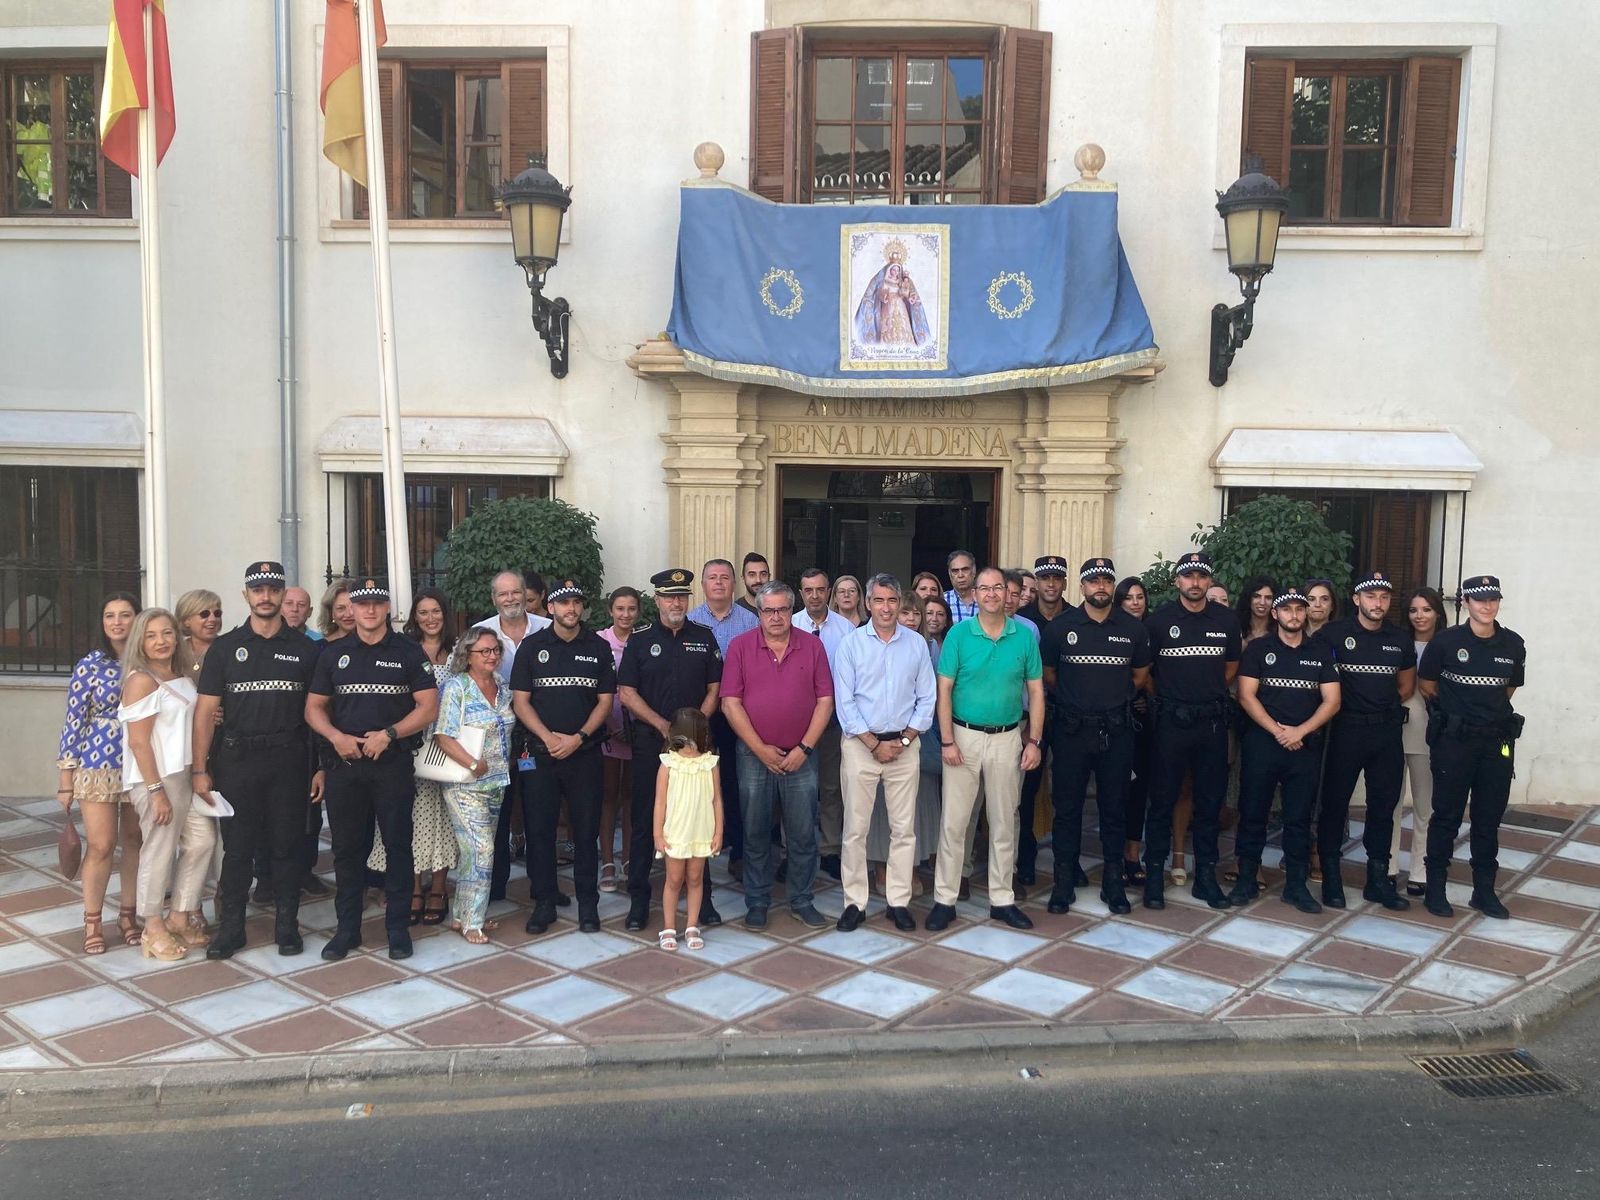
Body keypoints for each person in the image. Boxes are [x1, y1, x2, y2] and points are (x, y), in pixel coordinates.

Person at [193, 562, 324, 957]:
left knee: (287, 846)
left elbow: (318, 714)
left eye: (272, 588)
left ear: (283, 593)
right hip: (238, 761)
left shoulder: (305, 649)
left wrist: (320, 767)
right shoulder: (225, 648)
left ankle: (287, 927)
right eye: (258, 589)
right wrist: (200, 768)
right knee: (238, 850)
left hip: (289, 761)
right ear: (246, 595)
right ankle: (231, 930)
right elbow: (204, 713)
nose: (265, 596)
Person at [306, 579, 439, 961]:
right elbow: (314, 707)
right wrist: (335, 737)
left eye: (376, 604)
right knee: (347, 849)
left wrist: (391, 734)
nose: (368, 611)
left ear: (387, 609)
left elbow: (427, 707)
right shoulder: (333, 654)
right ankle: (346, 930)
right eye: (361, 604)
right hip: (345, 765)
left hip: (391, 764)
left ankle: (397, 929)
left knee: (398, 846)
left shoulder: (408, 652)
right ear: (351, 608)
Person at [926, 566, 1044, 931]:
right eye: (985, 588)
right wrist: (946, 740)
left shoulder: (1023, 636)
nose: (992, 594)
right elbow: (943, 690)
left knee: (1004, 820)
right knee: (955, 822)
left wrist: (1034, 740)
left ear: (1009, 594)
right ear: (974, 595)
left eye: (999, 588)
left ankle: (1002, 898)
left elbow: (1037, 691)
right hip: (963, 737)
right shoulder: (959, 635)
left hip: (1009, 737)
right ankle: (944, 899)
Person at [1039, 558, 1152, 916]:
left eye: (1106, 580)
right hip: (1072, 731)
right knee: (1067, 809)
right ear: (1082, 587)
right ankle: (1063, 882)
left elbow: (1139, 677)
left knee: (1114, 809)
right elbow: (1050, 676)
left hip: (1116, 732)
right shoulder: (1061, 628)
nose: (1100, 586)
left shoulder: (1133, 630)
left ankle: (1113, 883)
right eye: (1093, 581)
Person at [720, 581, 834, 930]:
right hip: (754, 755)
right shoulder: (740, 647)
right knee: (755, 832)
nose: (775, 616)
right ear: (758, 613)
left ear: (791, 610)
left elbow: (825, 701)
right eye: (768, 610)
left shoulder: (812, 646)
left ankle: (801, 899)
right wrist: (759, 749)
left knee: (801, 832)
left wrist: (804, 748)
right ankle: (757, 902)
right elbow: (730, 703)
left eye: (782, 609)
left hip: (801, 756)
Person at [618, 568, 723, 932]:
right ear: (658, 600)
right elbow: (627, 693)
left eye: (681, 596)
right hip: (653, 746)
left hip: (698, 752)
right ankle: (638, 901)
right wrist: (665, 728)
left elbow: (715, 688)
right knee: (648, 820)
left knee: (699, 819)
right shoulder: (640, 639)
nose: (675, 602)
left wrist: (693, 730)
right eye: (668, 597)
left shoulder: (704, 637)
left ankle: (704, 900)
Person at [1417, 574, 1526, 920]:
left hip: (1495, 743)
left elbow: (1508, 689)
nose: (1487, 606)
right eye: (1479, 600)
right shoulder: (1445, 643)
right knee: (1446, 817)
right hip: (1455, 742)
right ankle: (1435, 890)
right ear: (1466, 603)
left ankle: (1484, 892)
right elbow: (1426, 685)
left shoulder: (1513, 644)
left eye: (1493, 599)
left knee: (1487, 819)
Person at [510, 579, 616, 934]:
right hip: (540, 755)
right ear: (550, 607)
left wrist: (579, 737)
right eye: (563, 603)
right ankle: (544, 901)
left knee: (586, 833)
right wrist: (547, 737)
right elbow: (521, 701)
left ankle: (588, 904)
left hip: (584, 754)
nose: (571, 609)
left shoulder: (598, 648)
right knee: (539, 832)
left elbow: (605, 702)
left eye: (576, 602)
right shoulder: (532, 647)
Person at [833, 574, 936, 933]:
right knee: (855, 829)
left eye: (892, 601)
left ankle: (898, 901)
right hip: (862, 746)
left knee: (903, 829)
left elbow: (927, 697)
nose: (886, 608)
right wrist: (875, 744)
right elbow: (845, 703)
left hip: (905, 747)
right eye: (879, 601)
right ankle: (854, 902)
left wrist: (905, 740)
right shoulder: (851, 645)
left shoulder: (916, 645)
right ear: (868, 604)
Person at [1143, 551, 1241, 911]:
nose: (1195, 582)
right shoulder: (1159, 621)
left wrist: (1205, 695)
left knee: (1209, 801)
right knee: (1163, 799)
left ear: (1209, 581)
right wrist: (1172, 700)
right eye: (1188, 576)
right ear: (1177, 582)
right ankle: (1154, 875)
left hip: (1211, 722)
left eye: (1201, 576)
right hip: (1171, 722)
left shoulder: (1227, 620)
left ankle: (1205, 878)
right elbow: (1147, 673)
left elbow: (1231, 667)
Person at [1234, 587, 1342, 912]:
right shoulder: (1257, 649)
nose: (1294, 615)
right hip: (1263, 744)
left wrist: (1300, 731)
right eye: (1287, 609)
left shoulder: (1320, 650)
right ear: (1275, 614)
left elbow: (1333, 700)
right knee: (1253, 814)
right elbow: (1246, 695)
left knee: (1298, 819)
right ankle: (1246, 880)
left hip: (1303, 746)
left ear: (1306, 613)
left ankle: (1296, 885)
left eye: (1300, 609)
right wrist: (1278, 731)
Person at [119, 607, 216, 960]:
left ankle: (179, 915)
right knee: (159, 849)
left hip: (187, 772)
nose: (161, 641)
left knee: (203, 840)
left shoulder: (179, 674)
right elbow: (139, 742)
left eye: (167, 634)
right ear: (140, 642)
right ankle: (153, 926)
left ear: (177, 637)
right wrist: (155, 791)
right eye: (151, 635)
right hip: (158, 776)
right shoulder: (141, 680)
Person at [1316, 571, 1416, 911]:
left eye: (1384, 597)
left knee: (1383, 806)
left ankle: (1378, 880)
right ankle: (1331, 878)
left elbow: (1406, 686)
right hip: (1345, 730)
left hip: (1385, 732)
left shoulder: (1399, 638)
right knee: (1334, 803)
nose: (1378, 603)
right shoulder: (1334, 633)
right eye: (1371, 596)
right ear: (1357, 600)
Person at [56, 592, 145, 955]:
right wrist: (66, 779)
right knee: (102, 844)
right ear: (102, 622)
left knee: (136, 841)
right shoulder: (89, 665)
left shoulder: (149, 661)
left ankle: (128, 914)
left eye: (125, 615)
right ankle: (92, 919)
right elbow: (73, 722)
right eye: (110, 615)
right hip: (97, 762)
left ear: (137, 619)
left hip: (141, 761)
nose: (118, 622)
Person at [369, 588, 456, 926]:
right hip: (410, 744)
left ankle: (438, 888)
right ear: (414, 618)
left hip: (447, 747)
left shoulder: (458, 653)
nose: (430, 618)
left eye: (436, 611)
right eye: (423, 612)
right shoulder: (404, 651)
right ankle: (414, 888)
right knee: (411, 820)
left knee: (444, 820)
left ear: (444, 615)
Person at [474, 570, 552, 904]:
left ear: (526, 594)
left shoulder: (547, 629)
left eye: (515, 593)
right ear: (494, 599)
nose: (510, 599)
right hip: (496, 738)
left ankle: (542, 884)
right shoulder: (482, 634)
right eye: (503, 594)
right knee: (499, 811)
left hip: (538, 734)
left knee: (539, 812)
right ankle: (496, 884)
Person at [433, 627, 514, 943]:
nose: (492, 656)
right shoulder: (457, 688)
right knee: (483, 849)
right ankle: (473, 923)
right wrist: (471, 763)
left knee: (473, 853)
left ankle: (461, 914)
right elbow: (443, 735)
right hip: (464, 784)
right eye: (485, 651)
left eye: (496, 650)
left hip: (497, 783)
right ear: (468, 655)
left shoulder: (503, 686)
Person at [689, 558, 759, 874]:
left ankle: (739, 852)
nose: (718, 583)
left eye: (725, 577)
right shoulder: (689, 621)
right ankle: (697, 853)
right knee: (698, 785)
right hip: (699, 716)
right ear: (702, 585)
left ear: (734, 583)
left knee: (737, 781)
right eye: (712, 578)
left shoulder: (750, 622)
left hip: (738, 716)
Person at [793, 567, 851, 881]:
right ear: (800, 593)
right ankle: (795, 851)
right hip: (799, 722)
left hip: (833, 722)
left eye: (820, 589)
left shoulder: (846, 628)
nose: (815, 596)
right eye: (808, 590)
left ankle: (830, 849)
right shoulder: (790, 624)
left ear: (828, 591)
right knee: (797, 790)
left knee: (831, 788)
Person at [652, 707, 725, 951]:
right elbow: (660, 802)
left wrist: (718, 832)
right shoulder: (668, 765)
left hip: (700, 832)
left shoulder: (710, 764)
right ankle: (669, 927)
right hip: (676, 833)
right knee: (674, 879)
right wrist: (658, 834)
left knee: (695, 878)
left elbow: (717, 800)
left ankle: (692, 925)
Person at [1391, 587, 1447, 896]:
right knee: (1391, 803)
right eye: (1414, 610)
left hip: (1429, 733)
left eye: (1426, 609)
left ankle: (1420, 870)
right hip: (1395, 729)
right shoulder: (1397, 642)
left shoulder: (1448, 644)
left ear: (1437, 612)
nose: (1420, 616)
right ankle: (1386, 866)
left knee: (1426, 805)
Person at [597, 587, 642, 894]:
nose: (625, 615)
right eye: (620, 609)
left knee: (631, 796)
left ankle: (628, 857)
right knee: (608, 795)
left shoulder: (644, 641)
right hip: (607, 729)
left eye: (631, 609)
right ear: (611, 611)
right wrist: (611, 724)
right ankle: (607, 861)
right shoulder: (599, 642)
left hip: (637, 730)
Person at [1114, 578, 1153, 883]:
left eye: (1140, 597)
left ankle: (1132, 854)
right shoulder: (1110, 629)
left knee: (1140, 790)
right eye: (1129, 598)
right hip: (1115, 719)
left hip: (1149, 723)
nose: (1136, 602)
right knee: (1115, 791)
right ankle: (1113, 855)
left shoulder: (1152, 630)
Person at [174, 589, 223, 686]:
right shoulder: (175, 650)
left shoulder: (228, 648)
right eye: (204, 614)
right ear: (186, 620)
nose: (213, 619)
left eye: (217, 613)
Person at [1018, 555, 1069, 630]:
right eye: (1045, 578)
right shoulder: (1021, 618)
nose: (1051, 584)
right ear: (1036, 584)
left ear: (1064, 584)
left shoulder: (1077, 618)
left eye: (1057, 579)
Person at [1235, 577, 1275, 647]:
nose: (1262, 602)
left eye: (1268, 598)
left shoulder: (1280, 633)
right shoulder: (1235, 629)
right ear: (1248, 598)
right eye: (1257, 596)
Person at [943, 550, 979, 623]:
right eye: (955, 571)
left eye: (965, 569)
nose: (960, 575)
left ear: (974, 571)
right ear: (950, 574)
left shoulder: (986, 599)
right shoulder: (943, 600)